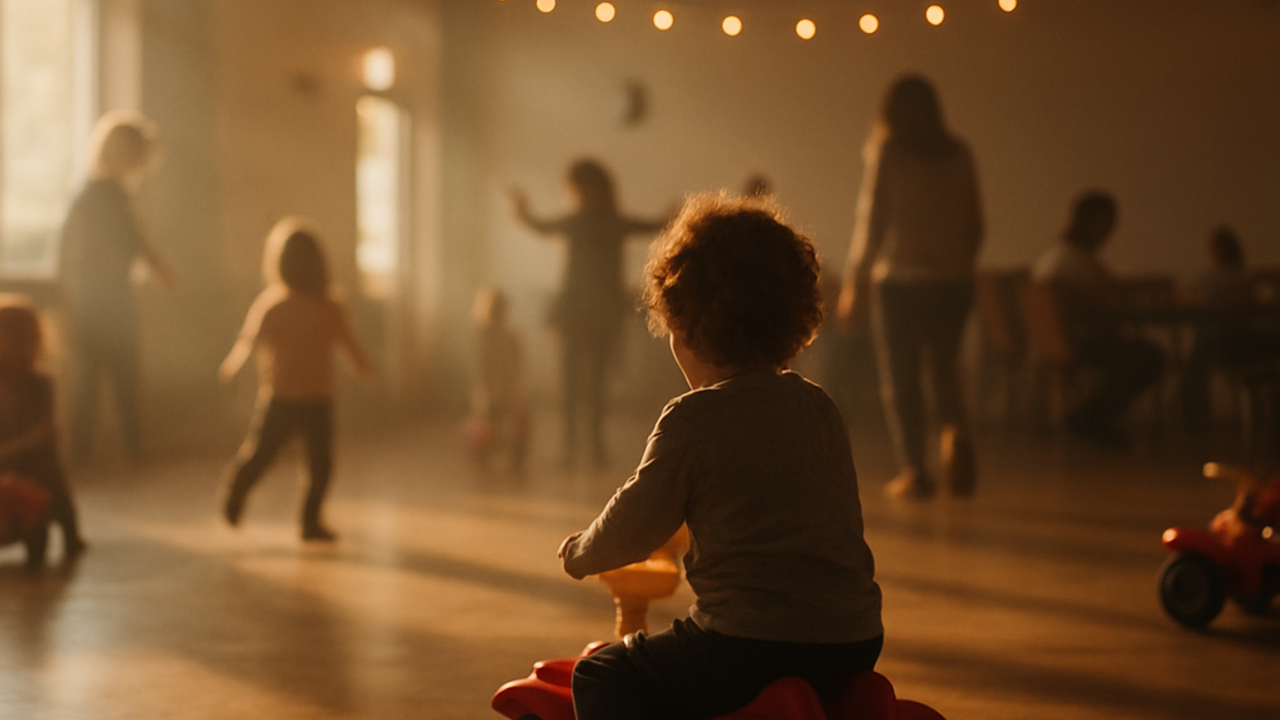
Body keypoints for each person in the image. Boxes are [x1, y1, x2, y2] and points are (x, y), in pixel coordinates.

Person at [560, 193, 883, 720]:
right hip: (855, 640)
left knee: (602, 672)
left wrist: (581, 552)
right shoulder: (819, 407)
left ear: (683, 326)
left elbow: (635, 525)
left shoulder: (692, 418)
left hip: (747, 645)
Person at [838, 74, 983, 500]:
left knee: (901, 378)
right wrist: (957, 260)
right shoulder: (959, 154)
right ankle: (955, 445)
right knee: (945, 372)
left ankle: (916, 471)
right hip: (954, 281)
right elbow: (976, 222)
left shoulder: (889, 153)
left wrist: (854, 284)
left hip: (901, 282)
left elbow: (872, 223)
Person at [219, 218, 373, 542]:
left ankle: (309, 521)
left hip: (309, 398)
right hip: (286, 398)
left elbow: (247, 344)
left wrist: (232, 367)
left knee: (314, 463)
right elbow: (350, 347)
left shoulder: (320, 306)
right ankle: (242, 490)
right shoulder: (282, 306)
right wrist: (363, 367)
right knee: (282, 459)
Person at [511, 159, 668, 466]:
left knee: (585, 380)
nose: (575, 193)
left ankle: (585, 447)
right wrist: (524, 214)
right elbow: (652, 225)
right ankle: (584, 447)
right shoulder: (600, 221)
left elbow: (542, 227)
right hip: (591, 311)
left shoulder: (593, 222)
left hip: (591, 312)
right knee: (583, 380)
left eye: (577, 187)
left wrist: (524, 214)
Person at [59, 111, 174, 465]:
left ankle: (99, 451)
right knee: (109, 376)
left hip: (95, 294)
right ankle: (122, 449)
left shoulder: (94, 193)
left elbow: (71, 246)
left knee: (95, 377)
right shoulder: (103, 195)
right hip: (101, 295)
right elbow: (133, 241)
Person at [1032, 191, 1164, 447]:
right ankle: (1089, 416)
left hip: (1056, 342)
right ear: (1095, 222)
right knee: (1150, 356)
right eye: (1108, 224)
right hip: (1080, 342)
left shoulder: (1055, 256)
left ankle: (1089, 415)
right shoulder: (1078, 259)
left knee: (1139, 351)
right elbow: (1111, 297)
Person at [0, 295, 87, 566]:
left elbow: (45, 431)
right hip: (5, 466)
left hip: (36, 464)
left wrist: (9, 451)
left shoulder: (41, 384)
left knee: (53, 483)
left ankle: (68, 531)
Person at [1180, 226, 1280, 425]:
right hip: (1247, 345)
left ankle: (1193, 412)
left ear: (1215, 252)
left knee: (1202, 340)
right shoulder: (1246, 278)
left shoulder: (1209, 280)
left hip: (1226, 346)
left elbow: (1188, 301)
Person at [465, 287, 531, 472]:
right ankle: (486, 452)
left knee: (515, 421)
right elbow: (482, 370)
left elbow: (517, 368)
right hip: (491, 392)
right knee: (486, 422)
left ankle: (507, 455)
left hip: (504, 391)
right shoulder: (485, 339)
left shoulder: (508, 338)